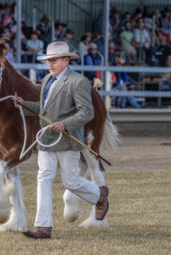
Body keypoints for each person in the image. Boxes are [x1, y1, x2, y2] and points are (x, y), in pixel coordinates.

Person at [12, 41, 109, 239]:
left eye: (54, 60)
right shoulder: (47, 80)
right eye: (49, 60)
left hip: (68, 140)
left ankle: (100, 195)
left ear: (66, 60)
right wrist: (24, 104)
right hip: (47, 139)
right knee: (44, 178)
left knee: (70, 182)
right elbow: (44, 110)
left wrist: (65, 124)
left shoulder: (78, 82)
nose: (50, 64)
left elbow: (87, 112)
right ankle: (43, 227)